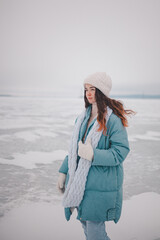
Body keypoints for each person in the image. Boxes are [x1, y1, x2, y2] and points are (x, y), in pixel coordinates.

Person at [57, 72, 136, 240]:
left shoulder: (113, 120)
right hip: (80, 184)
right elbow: (74, 151)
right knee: (87, 227)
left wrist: (93, 155)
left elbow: (120, 152)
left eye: (93, 89)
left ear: (102, 91)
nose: (88, 93)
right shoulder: (82, 118)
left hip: (100, 185)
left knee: (95, 233)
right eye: (86, 89)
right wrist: (64, 171)